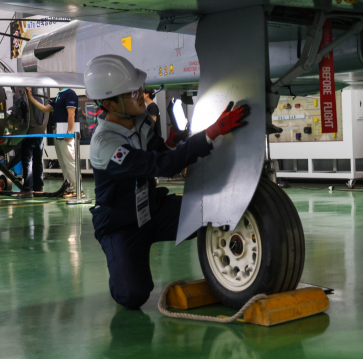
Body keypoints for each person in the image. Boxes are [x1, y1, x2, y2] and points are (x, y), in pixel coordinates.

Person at [84, 54, 250, 309]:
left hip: (151, 209)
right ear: (110, 103)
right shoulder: (105, 144)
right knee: (133, 295)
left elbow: (160, 152)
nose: (141, 95)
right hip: (121, 224)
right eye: (133, 93)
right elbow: (161, 165)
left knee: (207, 211)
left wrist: (174, 141)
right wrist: (211, 133)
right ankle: (123, 261)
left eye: (139, 89)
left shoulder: (140, 121)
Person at [27, 86, 81, 197]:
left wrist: (69, 132)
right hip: (59, 132)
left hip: (66, 132)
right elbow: (43, 108)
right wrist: (30, 97)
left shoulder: (69, 93)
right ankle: (70, 187)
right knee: (63, 162)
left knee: (70, 161)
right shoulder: (58, 96)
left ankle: (77, 189)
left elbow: (71, 113)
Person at [19, 88, 49, 198]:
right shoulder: (40, 101)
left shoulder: (25, 101)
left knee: (27, 161)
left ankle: (27, 189)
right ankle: (38, 188)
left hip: (28, 134)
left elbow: (19, 115)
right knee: (37, 161)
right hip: (40, 135)